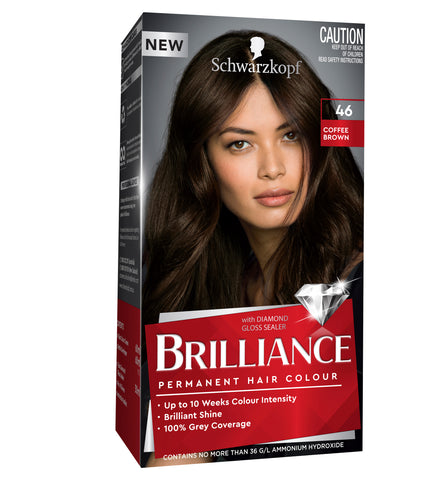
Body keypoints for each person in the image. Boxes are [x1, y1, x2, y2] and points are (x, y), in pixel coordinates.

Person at [141, 30, 363, 465]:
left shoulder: (358, 290)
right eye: (240, 143)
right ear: (201, 160)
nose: (273, 168)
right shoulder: (207, 288)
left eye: (291, 135)